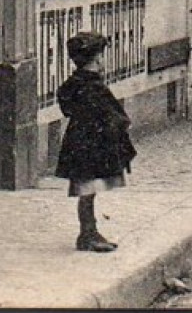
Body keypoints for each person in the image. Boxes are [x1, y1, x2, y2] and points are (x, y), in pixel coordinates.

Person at [55, 31, 135, 252]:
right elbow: (112, 116)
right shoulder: (94, 87)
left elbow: (67, 107)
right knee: (88, 190)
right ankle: (88, 234)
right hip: (93, 144)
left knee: (86, 189)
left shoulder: (73, 84)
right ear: (98, 58)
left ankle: (88, 232)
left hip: (78, 140)